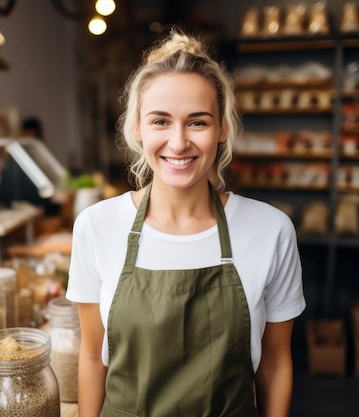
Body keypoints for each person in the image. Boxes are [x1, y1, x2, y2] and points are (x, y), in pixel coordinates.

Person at [65, 29, 306, 417]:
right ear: (138, 129)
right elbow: (93, 357)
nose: (178, 143)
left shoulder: (271, 229)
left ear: (222, 128)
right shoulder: (97, 226)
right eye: (160, 121)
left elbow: (276, 364)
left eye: (198, 122)